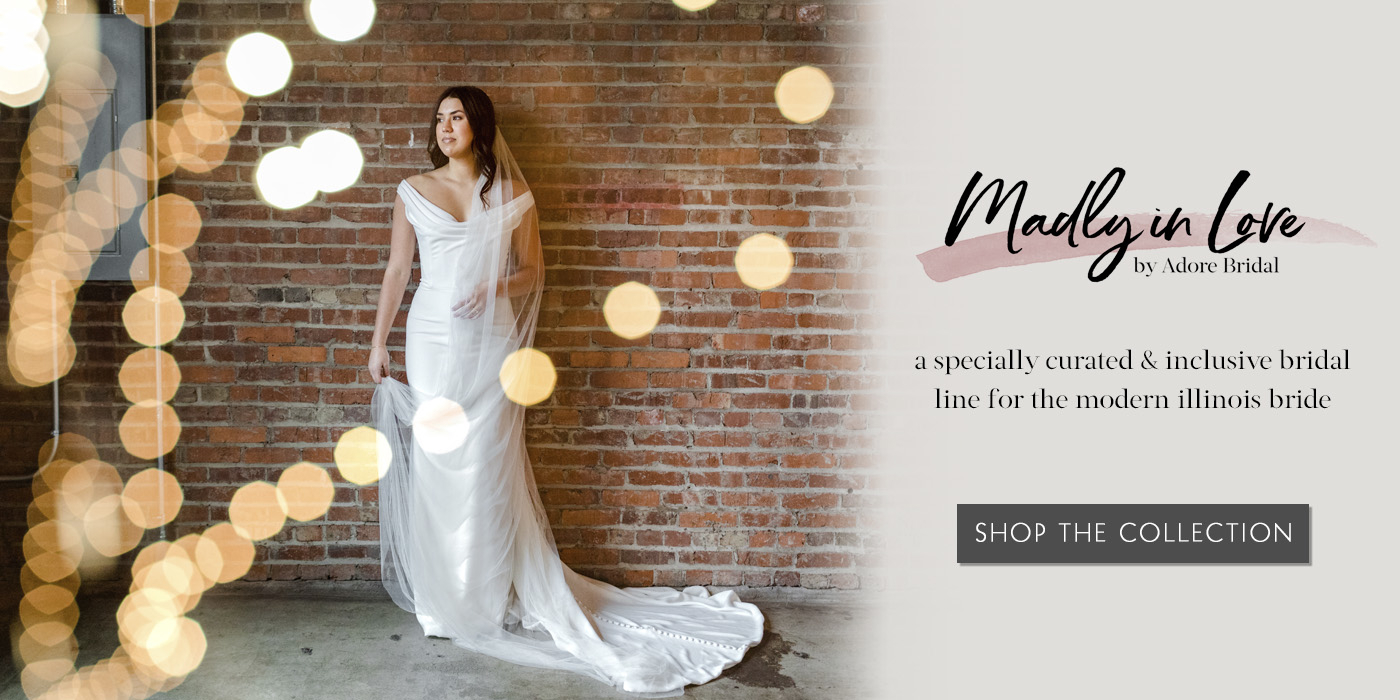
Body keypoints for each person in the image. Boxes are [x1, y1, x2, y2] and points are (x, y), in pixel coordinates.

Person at [366, 86, 765, 697]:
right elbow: (398, 269)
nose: (447, 127)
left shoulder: (512, 196)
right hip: (429, 339)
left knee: (487, 465)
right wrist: (377, 342)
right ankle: (442, 601)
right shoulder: (412, 191)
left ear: (480, 126)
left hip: (491, 338)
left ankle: (487, 592)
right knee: (439, 462)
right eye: (440, 118)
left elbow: (533, 270)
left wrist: (495, 290)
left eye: (458, 117)